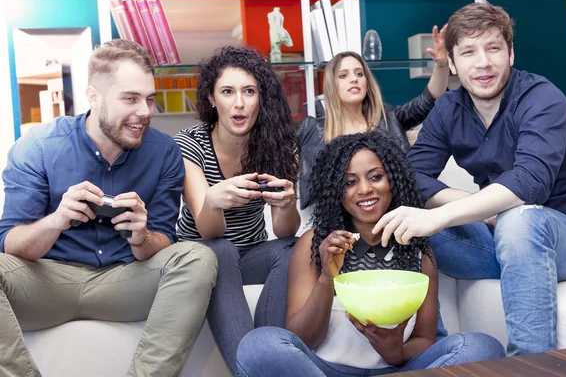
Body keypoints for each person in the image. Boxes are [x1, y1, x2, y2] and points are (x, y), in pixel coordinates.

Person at [373, 2, 566, 356]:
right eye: (468, 52)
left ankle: (528, 365)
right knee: (403, 222)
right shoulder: (448, 108)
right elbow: (411, 176)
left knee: (518, 219)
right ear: (451, 63)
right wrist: (470, 208)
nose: (483, 62)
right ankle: (435, 352)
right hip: (503, 242)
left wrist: (441, 215)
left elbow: (529, 184)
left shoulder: (542, 98)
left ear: (510, 54)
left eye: (493, 47)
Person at [0, 39, 217, 376]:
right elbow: (10, 242)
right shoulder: (38, 147)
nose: (144, 111)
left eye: (149, 99)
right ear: (94, 97)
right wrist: (56, 220)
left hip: (124, 280)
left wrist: (142, 235)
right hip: (47, 281)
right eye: (130, 98)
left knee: (198, 257)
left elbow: (162, 245)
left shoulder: (163, 153)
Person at [236, 131, 505, 376]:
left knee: (481, 346)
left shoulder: (418, 246)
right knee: (258, 345)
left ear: (393, 180)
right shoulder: (314, 244)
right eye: (350, 182)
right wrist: (327, 279)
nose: (365, 190)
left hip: (400, 369)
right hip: (324, 371)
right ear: (336, 192)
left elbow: (424, 338)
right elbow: (302, 339)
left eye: (376, 177)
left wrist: (396, 351)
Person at [174, 46, 300, 373]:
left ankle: (267, 352)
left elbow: (285, 231)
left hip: (253, 252)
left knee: (294, 247)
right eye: (228, 92)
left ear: (262, 98)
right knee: (222, 248)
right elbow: (209, 231)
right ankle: (252, 369)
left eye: (249, 91)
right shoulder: (190, 143)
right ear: (212, 99)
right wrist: (214, 201)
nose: (239, 103)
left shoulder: (278, 143)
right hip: (203, 252)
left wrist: (287, 203)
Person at [297, 24, 449, 209]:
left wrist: (441, 66)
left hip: (399, 210)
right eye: (343, 75)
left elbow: (428, 100)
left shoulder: (388, 118)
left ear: (367, 83)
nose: (354, 79)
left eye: (359, 74)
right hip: (345, 218)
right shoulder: (315, 129)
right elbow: (313, 191)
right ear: (331, 86)